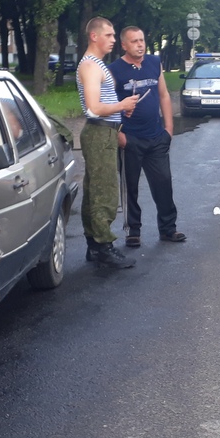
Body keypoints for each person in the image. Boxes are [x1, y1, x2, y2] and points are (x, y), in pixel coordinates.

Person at [109, 26, 185, 247]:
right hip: (130, 139)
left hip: (156, 137)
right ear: (124, 45)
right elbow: (110, 105)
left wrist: (169, 129)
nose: (140, 45)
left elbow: (163, 95)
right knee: (130, 186)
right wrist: (119, 135)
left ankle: (168, 228)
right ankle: (133, 230)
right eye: (134, 41)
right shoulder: (114, 70)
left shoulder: (154, 63)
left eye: (142, 40)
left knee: (163, 182)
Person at [77, 16, 140, 269]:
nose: (114, 39)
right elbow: (93, 108)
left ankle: (95, 245)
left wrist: (120, 111)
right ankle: (104, 246)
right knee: (104, 192)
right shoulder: (91, 66)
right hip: (100, 132)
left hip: (105, 131)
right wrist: (121, 105)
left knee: (94, 191)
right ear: (94, 36)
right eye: (109, 35)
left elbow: (101, 105)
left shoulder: (96, 64)